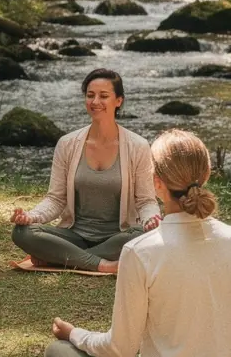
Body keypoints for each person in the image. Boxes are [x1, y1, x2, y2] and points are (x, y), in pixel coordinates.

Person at [44, 130, 231, 357]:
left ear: (156, 182)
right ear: (208, 173)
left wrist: (75, 334)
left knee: (58, 352)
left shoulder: (140, 251)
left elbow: (121, 348)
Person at [10, 69, 159, 274]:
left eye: (104, 96)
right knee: (22, 232)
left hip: (119, 236)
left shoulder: (138, 146)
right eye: (90, 95)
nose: (95, 101)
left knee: (146, 233)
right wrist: (31, 217)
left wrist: (152, 219)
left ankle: (60, 258)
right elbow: (55, 199)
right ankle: (102, 264)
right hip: (75, 236)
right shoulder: (67, 144)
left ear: (119, 101)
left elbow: (145, 201)